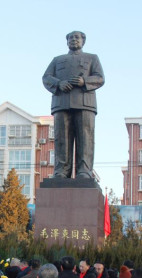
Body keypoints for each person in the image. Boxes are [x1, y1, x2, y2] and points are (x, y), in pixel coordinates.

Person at [42, 31, 105, 179]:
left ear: (83, 41)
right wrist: (59, 83)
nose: (73, 40)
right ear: (66, 41)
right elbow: (46, 77)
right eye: (70, 37)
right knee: (61, 138)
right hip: (62, 102)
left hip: (85, 103)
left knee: (85, 138)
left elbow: (100, 78)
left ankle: (84, 170)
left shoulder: (92, 58)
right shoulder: (57, 59)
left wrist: (85, 82)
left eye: (77, 37)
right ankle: (61, 170)